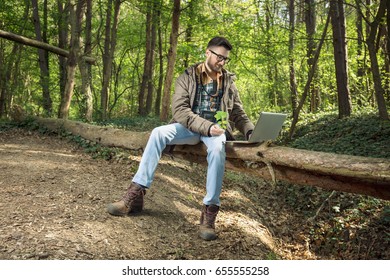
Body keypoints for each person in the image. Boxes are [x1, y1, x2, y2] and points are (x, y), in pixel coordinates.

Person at [107, 36, 254, 241]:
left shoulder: (228, 81)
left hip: (217, 133)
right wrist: (206, 126)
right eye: (219, 57)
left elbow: (238, 113)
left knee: (218, 149)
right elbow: (180, 111)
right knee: (158, 132)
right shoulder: (187, 76)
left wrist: (250, 131)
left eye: (225, 59)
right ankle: (135, 194)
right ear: (207, 53)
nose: (222, 62)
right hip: (190, 128)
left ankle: (210, 212)